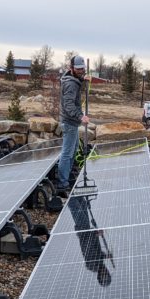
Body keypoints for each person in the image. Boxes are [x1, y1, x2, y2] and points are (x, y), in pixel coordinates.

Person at [56, 54, 89, 195]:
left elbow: (76, 78)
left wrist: (83, 79)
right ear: (71, 68)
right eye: (78, 69)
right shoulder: (70, 84)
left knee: (73, 149)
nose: (81, 71)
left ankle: (66, 177)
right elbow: (69, 105)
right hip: (69, 122)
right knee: (67, 153)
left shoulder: (72, 77)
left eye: (82, 69)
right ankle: (62, 185)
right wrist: (80, 116)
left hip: (71, 123)